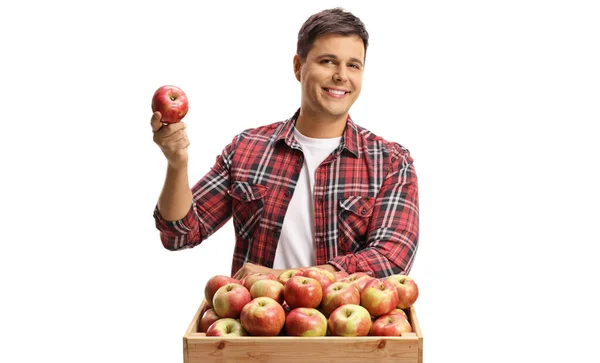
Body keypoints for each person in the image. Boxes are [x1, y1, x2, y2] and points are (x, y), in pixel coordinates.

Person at [151, 7, 419, 281]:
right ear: (298, 67)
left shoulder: (390, 162)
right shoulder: (247, 149)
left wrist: (281, 277)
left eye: (353, 65)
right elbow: (179, 234)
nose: (341, 75)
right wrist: (176, 162)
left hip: (346, 323)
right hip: (254, 320)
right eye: (327, 61)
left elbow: (391, 259)